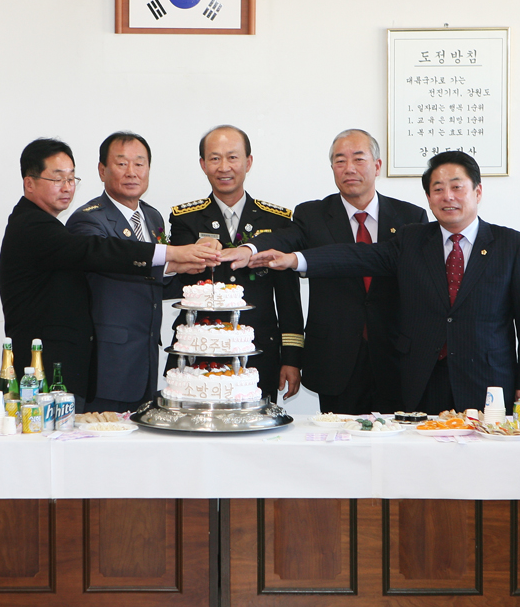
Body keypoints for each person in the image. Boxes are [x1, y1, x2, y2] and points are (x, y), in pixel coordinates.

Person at [242, 150, 520, 414]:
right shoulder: (413, 240)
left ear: (477, 192)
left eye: (457, 187)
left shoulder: (512, 245)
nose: (448, 197)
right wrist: (294, 259)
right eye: (438, 189)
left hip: (488, 382)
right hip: (422, 380)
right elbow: (357, 256)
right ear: (428, 198)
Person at [0, 138, 219, 411]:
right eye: (57, 179)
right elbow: (100, 253)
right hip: (49, 369)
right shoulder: (36, 225)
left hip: (130, 362)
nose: (67, 187)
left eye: (71, 179)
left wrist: (179, 266)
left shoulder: (149, 217)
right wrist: (172, 253)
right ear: (29, 183)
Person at [223, 129, 427, 414]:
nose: (349, 168)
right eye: (340, 161)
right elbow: (283, 238)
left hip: (396, 358)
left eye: (359, 159)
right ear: (332, 167)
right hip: (335, 359)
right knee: (338, 439)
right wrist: (250, 248)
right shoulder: (312, 214)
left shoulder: (410, 218)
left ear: (377, 165)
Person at [166, 125, 304, 402]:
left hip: (258, 352)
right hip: (199, 355)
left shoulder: (276, 221)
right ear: (203, 165)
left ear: (248, 162)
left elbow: (288, 298)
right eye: (215, 158)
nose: (224, 167)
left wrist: (291, 358)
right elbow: (184, 282)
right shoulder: (185, 219)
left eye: (232, 157)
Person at [66, 132, 170, 412]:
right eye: (122, 164)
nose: (131, 172)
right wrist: (174, 256)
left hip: (146, 360)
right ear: (102, 170)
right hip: (108, 366)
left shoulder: (152, 217)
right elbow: (119, 260)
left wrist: (188, 264)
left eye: (140, 164)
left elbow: (153, 277)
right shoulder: (88, 220)